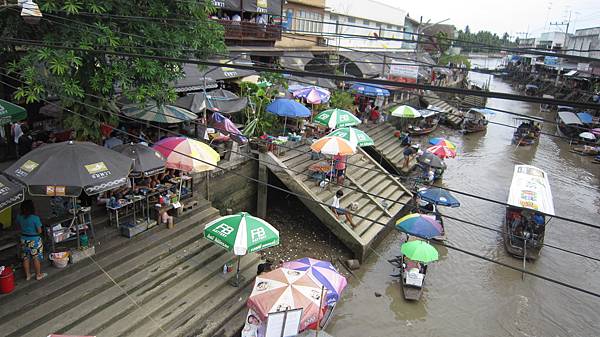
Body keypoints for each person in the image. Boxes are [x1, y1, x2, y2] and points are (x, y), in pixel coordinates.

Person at [16, 200, 47, 281]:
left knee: (25, 258)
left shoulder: (19, 217)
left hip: (23, 240)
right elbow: (39, 231)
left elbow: (18, 225)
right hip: (34, 240)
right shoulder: (35, 218)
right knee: (35, 258)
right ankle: (38, 275)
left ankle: (28, 275)